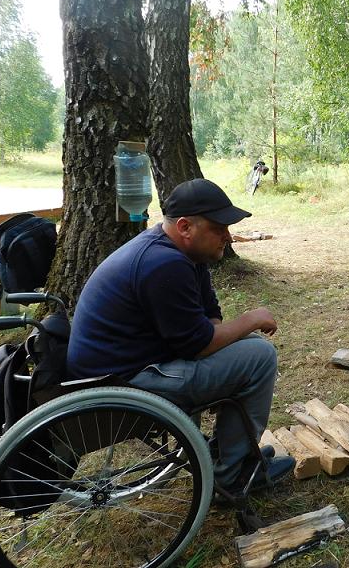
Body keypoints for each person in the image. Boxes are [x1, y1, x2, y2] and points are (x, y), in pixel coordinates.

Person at [67, 178, 294, 495]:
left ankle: (229, 454)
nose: (228, 238)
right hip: (121, 382)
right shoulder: (163, 264)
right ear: (186, 226)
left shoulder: (185, 254)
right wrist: (252, 318)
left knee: (249, 348)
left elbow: (209, 314)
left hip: (134, 362)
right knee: (260, 357)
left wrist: (227, 333)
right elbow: (199, 345)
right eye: (219, 229)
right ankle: (232, 475)